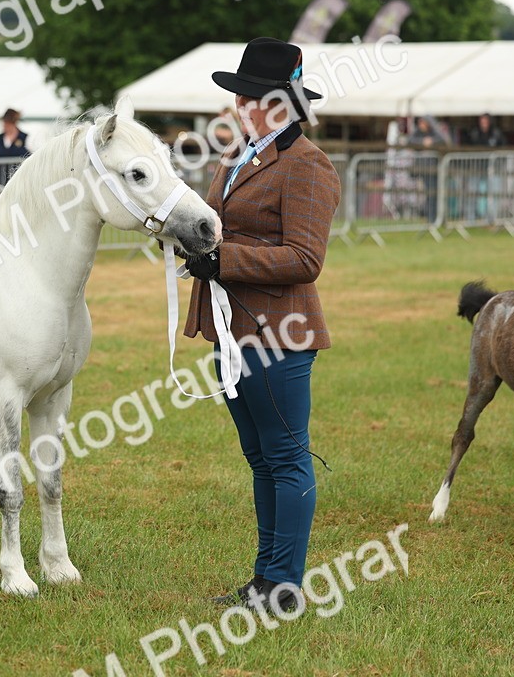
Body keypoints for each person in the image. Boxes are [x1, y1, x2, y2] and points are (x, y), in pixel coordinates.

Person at [180, 37, 341, 613]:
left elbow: (305, 258)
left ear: (275, 102)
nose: (238, 105)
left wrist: (225, 260)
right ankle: (264, 579)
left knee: (286, 456)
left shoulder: (308, 165)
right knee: (261, 458)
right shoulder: (238, 155)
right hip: (231, 329)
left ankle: (283, 585)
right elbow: (215, 222)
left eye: (246, 96)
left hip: (280, 332)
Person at [0, 108, 29, 186]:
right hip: (2, 180)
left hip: (19, 179)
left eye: (8, 123)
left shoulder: (24, 137)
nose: (5, 125)